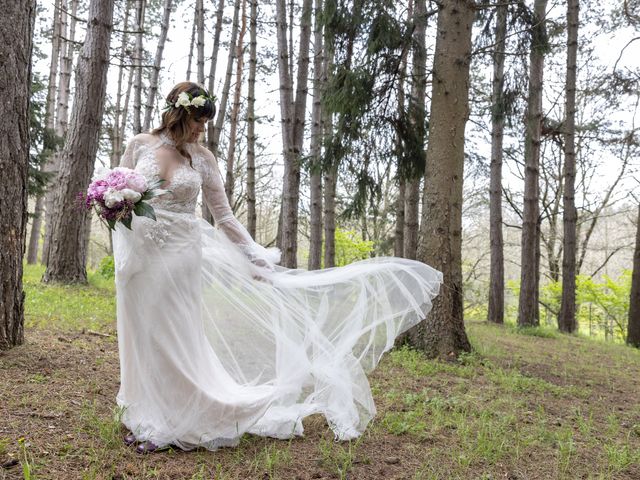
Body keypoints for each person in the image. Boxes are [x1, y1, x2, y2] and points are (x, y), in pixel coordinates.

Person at [112, 81, 442, 454]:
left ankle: (178, 419)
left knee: (174, 334)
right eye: (199, 122)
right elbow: (121, 189)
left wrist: (255, 256)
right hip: (142, 256)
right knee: (146, 332)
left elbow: (225, 217)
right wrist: (108, 206)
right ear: (180, 115)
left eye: (205, 123)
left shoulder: (202, 158)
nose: (202, 129)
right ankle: (152, 414)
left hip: (181, 254)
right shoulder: (140, 144)